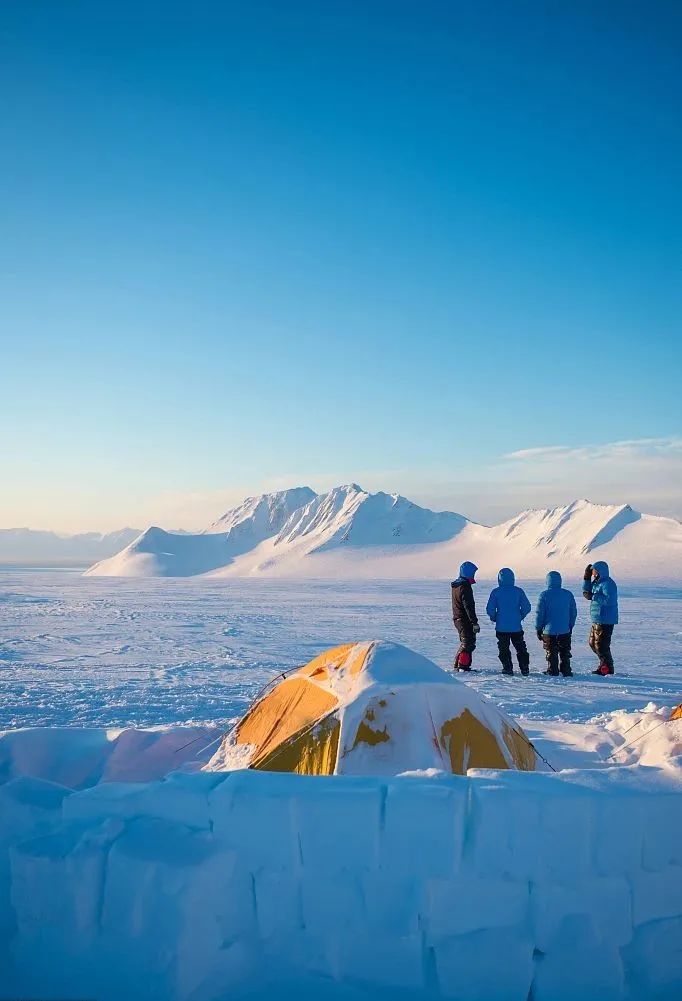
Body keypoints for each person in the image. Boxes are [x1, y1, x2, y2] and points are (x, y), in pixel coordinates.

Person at [485, 568, 532, 675]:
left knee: (503, 649)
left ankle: (507, 668)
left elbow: (490, 609)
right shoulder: (518, 591)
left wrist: (494, 617)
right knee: (520, 648)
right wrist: (520, 616)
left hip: (501, 627)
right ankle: (524, 668)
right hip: (516, 626)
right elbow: (527, 607)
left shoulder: (496, 592)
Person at [535, 571, 578, 677]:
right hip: (565, 630)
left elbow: (540, 614)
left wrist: (538, 628)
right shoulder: (568, 594)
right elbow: (573, 612)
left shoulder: (544, 595)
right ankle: (566, 670)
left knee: (551, 652)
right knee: (565, 652)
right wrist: (570, 625)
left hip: (549, 631)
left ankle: (552, 670)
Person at [583, 561, 619, 675]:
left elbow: (610, 600)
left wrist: (594, 596)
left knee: (601, 645)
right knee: (592, 643)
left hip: (605, 619)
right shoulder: (597, 582)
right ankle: (604, 665)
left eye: (594, 571)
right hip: (597, 618)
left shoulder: (608, 584)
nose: (593, 573)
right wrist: (586, 579)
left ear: (600, 571)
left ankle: (607, 668)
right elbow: (587, 591)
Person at [451, 561, 480, 671]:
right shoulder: (464, 587)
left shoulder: (457, 586)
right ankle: (461, 666)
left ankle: (462, 665)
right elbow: (469, 606)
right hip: (464, 619)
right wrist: (474, 622)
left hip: (458, 618)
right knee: (468, 643)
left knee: (467, 642)